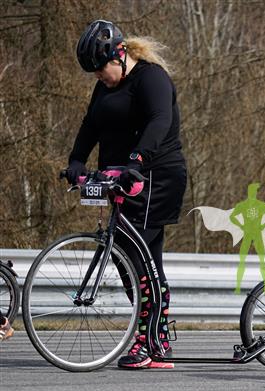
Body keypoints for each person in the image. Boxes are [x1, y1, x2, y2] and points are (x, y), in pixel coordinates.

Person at [66, 19, 187, 369]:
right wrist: (76, 160)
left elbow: (160, 121)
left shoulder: (151, 78)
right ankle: (157, 339)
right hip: (123, 179)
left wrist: (137, 159)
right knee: (129, 258)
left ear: (119, 55)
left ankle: (150, 341)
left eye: (100, 68)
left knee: (136, 256)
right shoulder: (104, 87)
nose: (98, 76)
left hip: (155, 177)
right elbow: (91, 124)